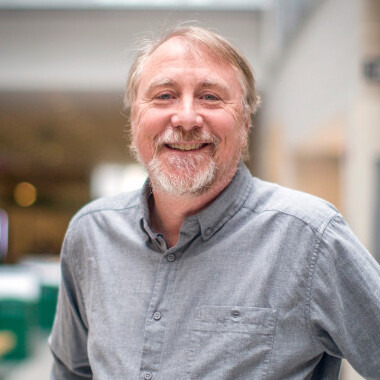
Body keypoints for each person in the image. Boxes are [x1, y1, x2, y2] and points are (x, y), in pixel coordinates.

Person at [49, 25, 380, 379]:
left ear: (245, 122)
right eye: (164, 95)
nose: (187, 118)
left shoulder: (310, 238)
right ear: (134, 118)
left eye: (210, 97)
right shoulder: (91, 234)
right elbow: (72, 372)